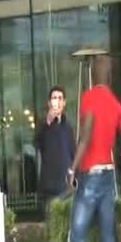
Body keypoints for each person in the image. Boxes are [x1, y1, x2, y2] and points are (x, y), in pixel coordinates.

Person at [64, 54, 121, 242]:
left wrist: (72, 168)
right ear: (110, 76)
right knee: (108, 240)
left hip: (90, 176)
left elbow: (86, 135)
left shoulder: (90, 97)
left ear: (93, 74)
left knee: (77, 235)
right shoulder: (115, 103)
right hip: (109, 177)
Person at [35, 85, 75, 218]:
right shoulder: (43, 125)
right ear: (49, 103)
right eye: (54, 98)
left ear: (64, 103)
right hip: (49, 188)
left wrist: (74, 178)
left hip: (66, 187)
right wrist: (48, 121)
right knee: (51, 223)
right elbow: (37, 143)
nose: (57, 101)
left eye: (60, 98)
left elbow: (73, 154)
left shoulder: (68, 127)